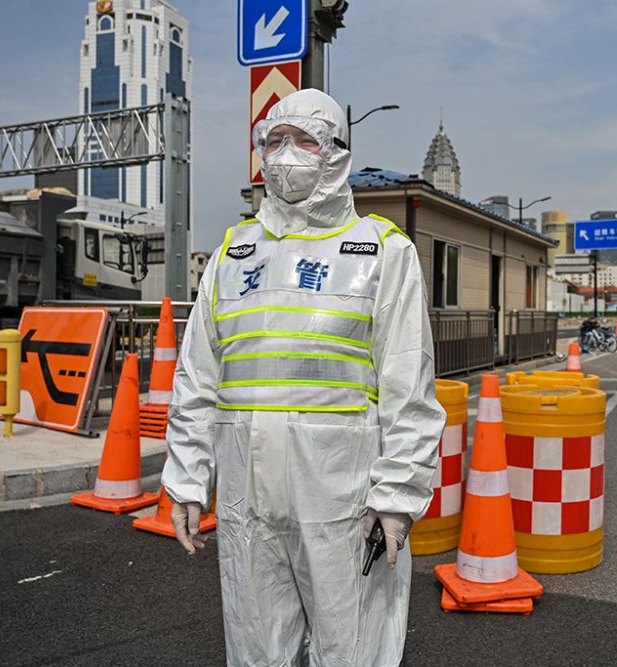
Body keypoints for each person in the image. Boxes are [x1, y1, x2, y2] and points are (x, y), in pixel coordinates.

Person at [161, 88, 445, 666]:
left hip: (344, 502)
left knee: (352, 648)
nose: (286, 153)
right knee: (254, 647)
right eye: (274, 140)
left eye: (305, 140)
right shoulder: (232, 255)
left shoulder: (381, 253)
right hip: (247, 500)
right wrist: (189, 478)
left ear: (336, 153)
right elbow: (197, 381)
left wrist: (396, 497)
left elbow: (408, 389)